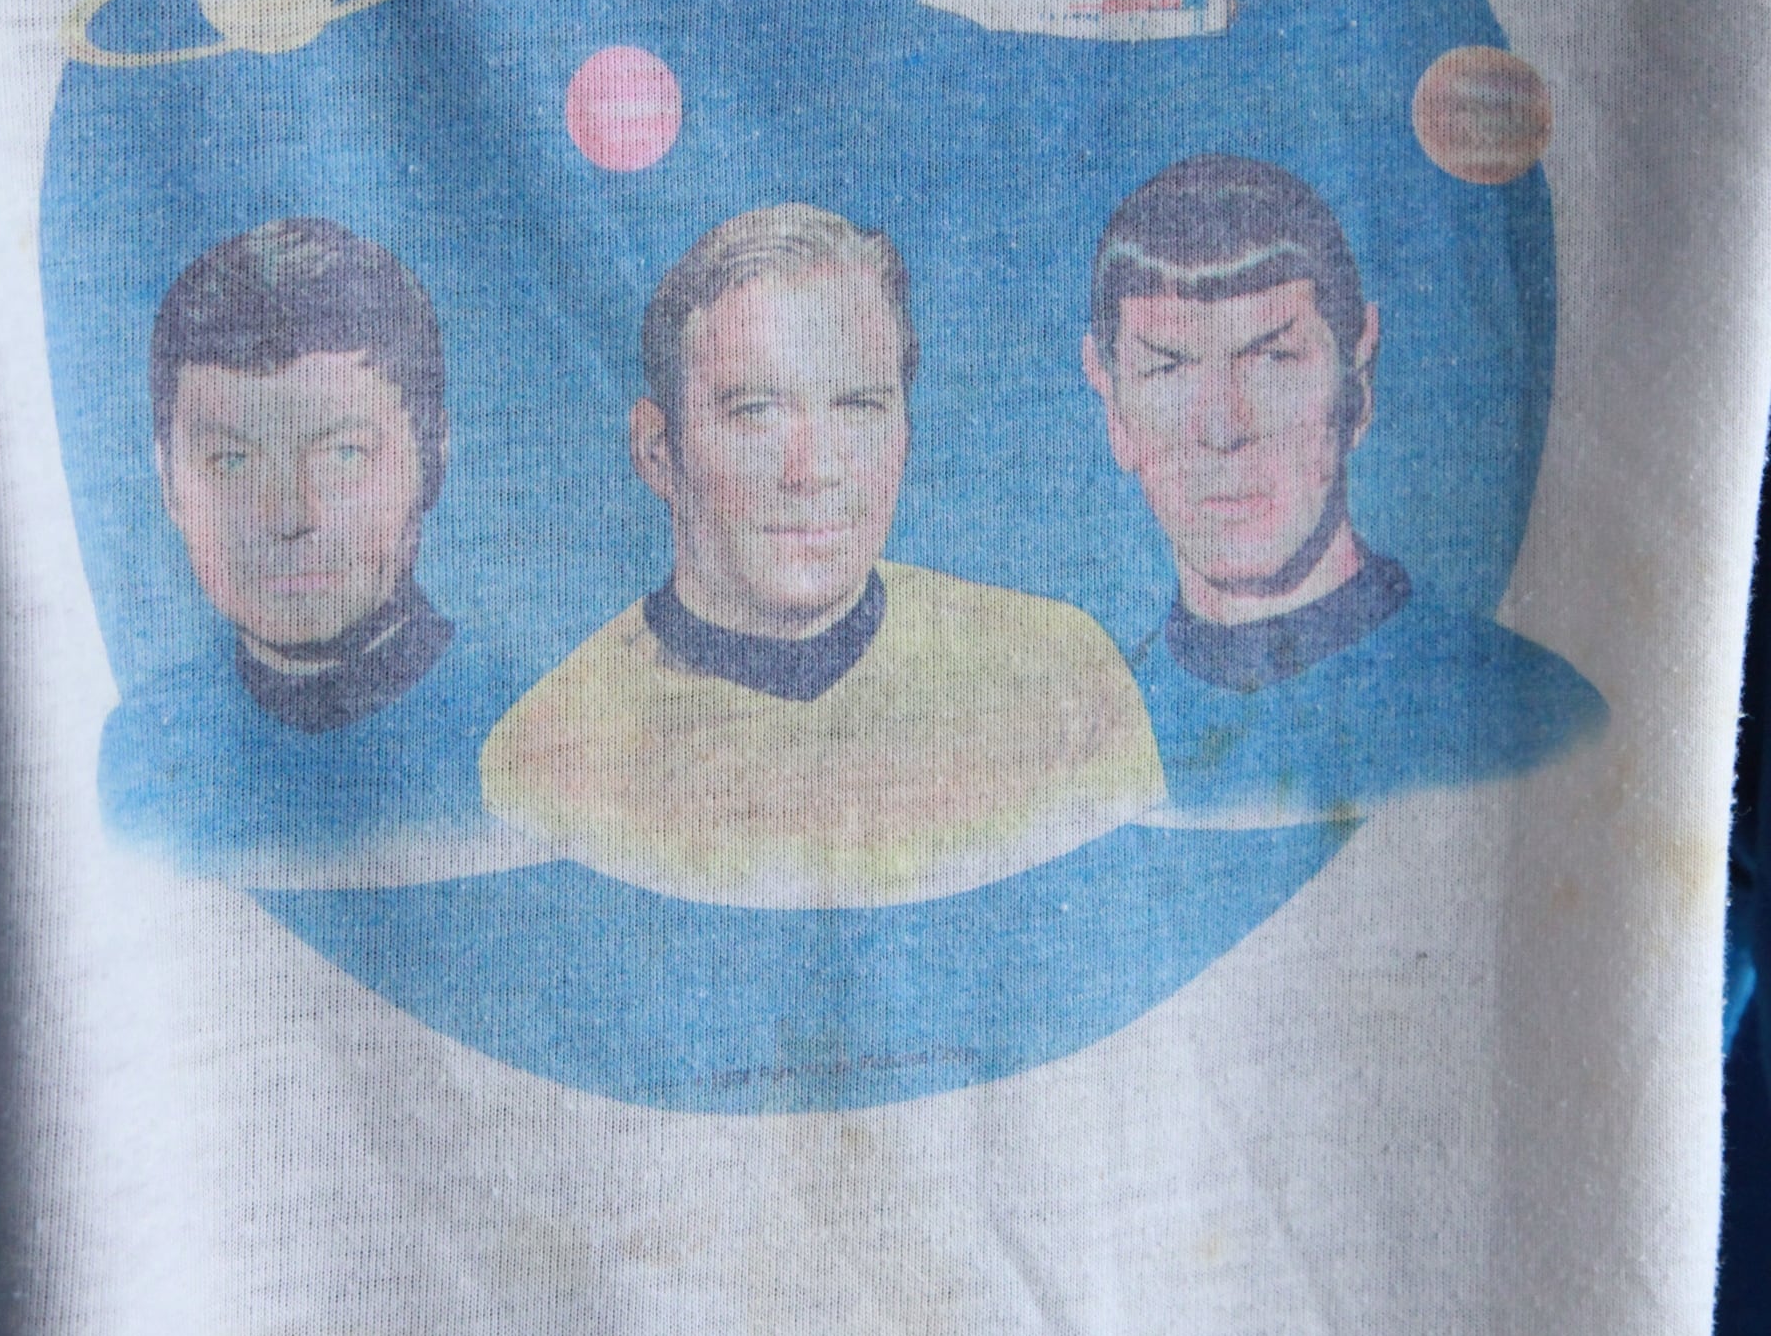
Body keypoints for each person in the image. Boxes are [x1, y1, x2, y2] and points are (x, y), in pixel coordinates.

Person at [481, 202, 1162, 904]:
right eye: (755, 411)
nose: (812, 470)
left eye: (859, 407)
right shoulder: (547, 753)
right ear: (658, 450)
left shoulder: (1061, 681)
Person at [1082, 155, 1606, 822]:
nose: (1223, 428)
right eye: (1169, 369)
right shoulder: (1082, 752)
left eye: (1273, 358)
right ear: (1113, 405)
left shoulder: (1529, 715)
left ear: (1357, 376)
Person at [99, 217, 507, 879]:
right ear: (168, 481)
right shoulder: (142, 754)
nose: (289, 516)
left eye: (344, 454)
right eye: (232, 462)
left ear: (433, 456)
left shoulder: (542, 735)